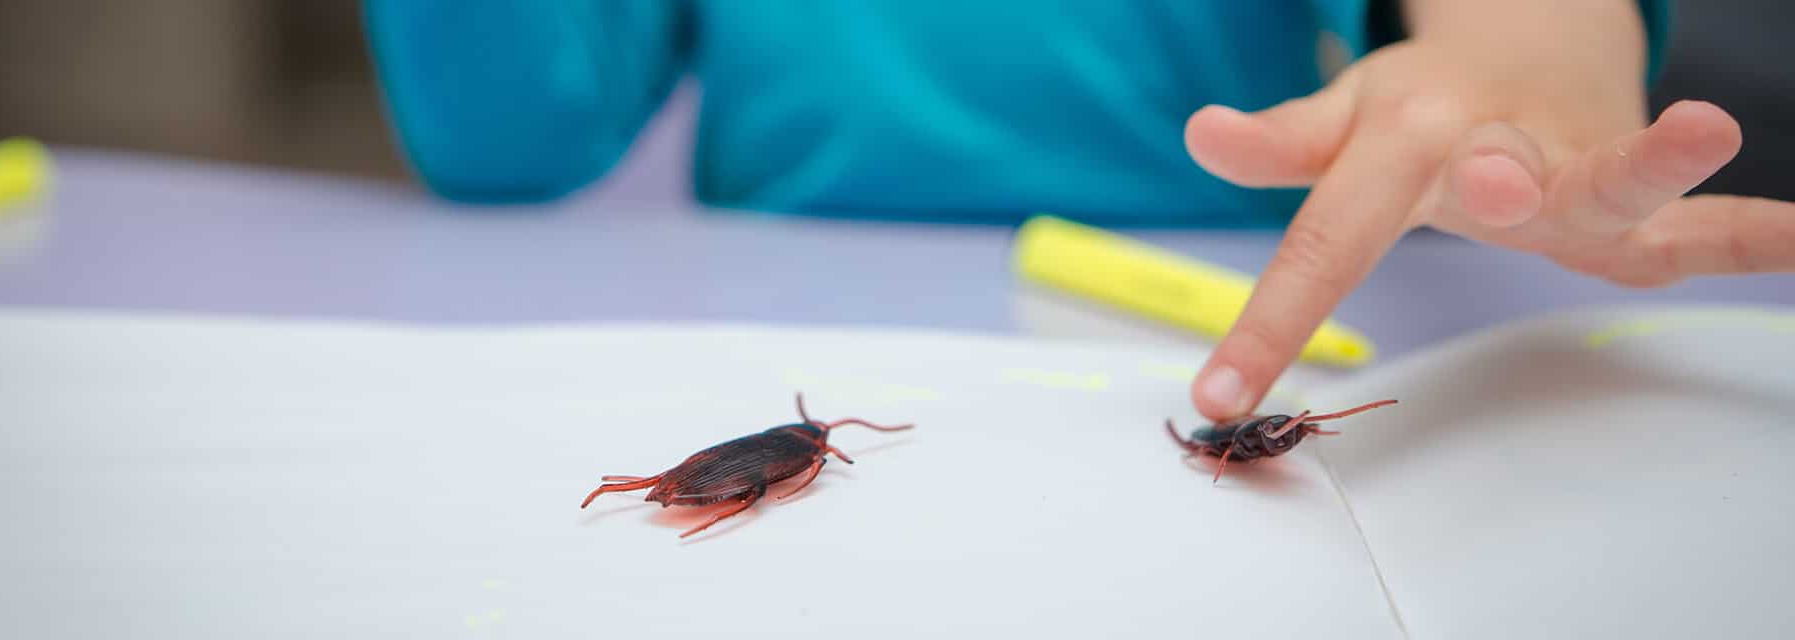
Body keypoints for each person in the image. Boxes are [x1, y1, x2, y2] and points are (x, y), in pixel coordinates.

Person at [362, 1, 1795, 422]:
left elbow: (1522, 30)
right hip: (778, 321)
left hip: (1185, 327)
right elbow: (510, 140)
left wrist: (1523, 92)